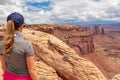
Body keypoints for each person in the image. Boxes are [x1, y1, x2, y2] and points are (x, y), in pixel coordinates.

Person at [0, 12, 38, 80]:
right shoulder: (26, 44)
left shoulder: (1, 43)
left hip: (8, 77)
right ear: (21, 26)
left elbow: (3, 67)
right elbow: (32, 71)